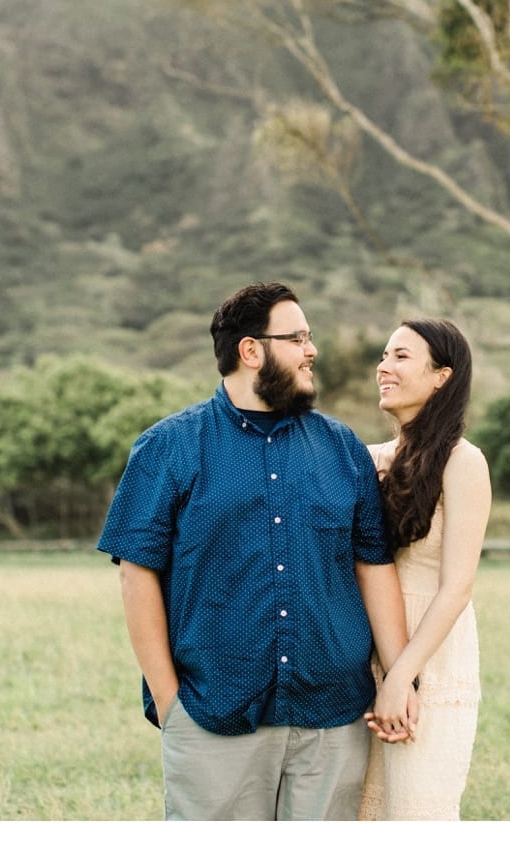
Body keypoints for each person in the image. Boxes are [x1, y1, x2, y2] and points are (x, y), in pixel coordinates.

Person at [96, 282, 414, 821]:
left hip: (333, 716)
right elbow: (136, 574)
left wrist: (404, 678)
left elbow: (374, 568)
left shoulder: (343, 450)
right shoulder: (166, 447)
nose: (312, 351)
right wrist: (171, 704)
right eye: (298, 338)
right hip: (210, 711)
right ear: (251, 350)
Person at [359, 317, 491, 821]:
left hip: (431, 653)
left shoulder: (463, 462)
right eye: (384, 355)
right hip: (366, 640)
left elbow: (457, 587)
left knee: (417, 809)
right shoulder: (370, 459)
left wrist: (401, 677)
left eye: (401, 356)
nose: (383, 367)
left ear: (442, 376)